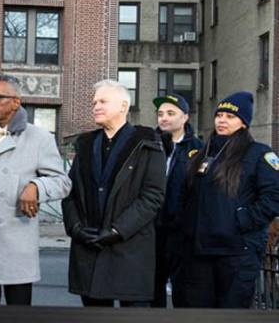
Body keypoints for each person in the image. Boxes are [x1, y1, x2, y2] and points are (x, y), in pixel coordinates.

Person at [0, 74, 70, 306]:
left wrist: (35, 187)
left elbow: (62, 182)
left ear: (16, 102)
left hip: (16, 243)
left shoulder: (39, 137)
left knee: (17, 316)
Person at [62, 79, 166, 307]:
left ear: (123, 106)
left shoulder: (148, 142)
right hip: (88, 247)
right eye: (94, 102)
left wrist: (117, 230)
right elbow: (70, 193)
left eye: (103, 101)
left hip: (129, 249)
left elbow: (152, 197)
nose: (96, 106)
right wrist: (76, 228)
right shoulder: (86, 144)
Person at [174, 91, 279, 308]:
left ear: (244, 123)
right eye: (219, 115)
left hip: (237, 253)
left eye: (230, 116)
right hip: (199, 253)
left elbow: (273, 197)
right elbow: (186, 195)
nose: (222, 120)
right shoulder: (201, 155)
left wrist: (242, 220)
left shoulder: (259, 153)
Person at [151, 94, 203, 307]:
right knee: (152, 292)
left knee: (184, 293)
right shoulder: (148, 144)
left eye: (171, 113)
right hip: (151, 230)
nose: (164, 118)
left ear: (185, 118)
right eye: (160, 113)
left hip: (182, 233)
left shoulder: (199, 149)